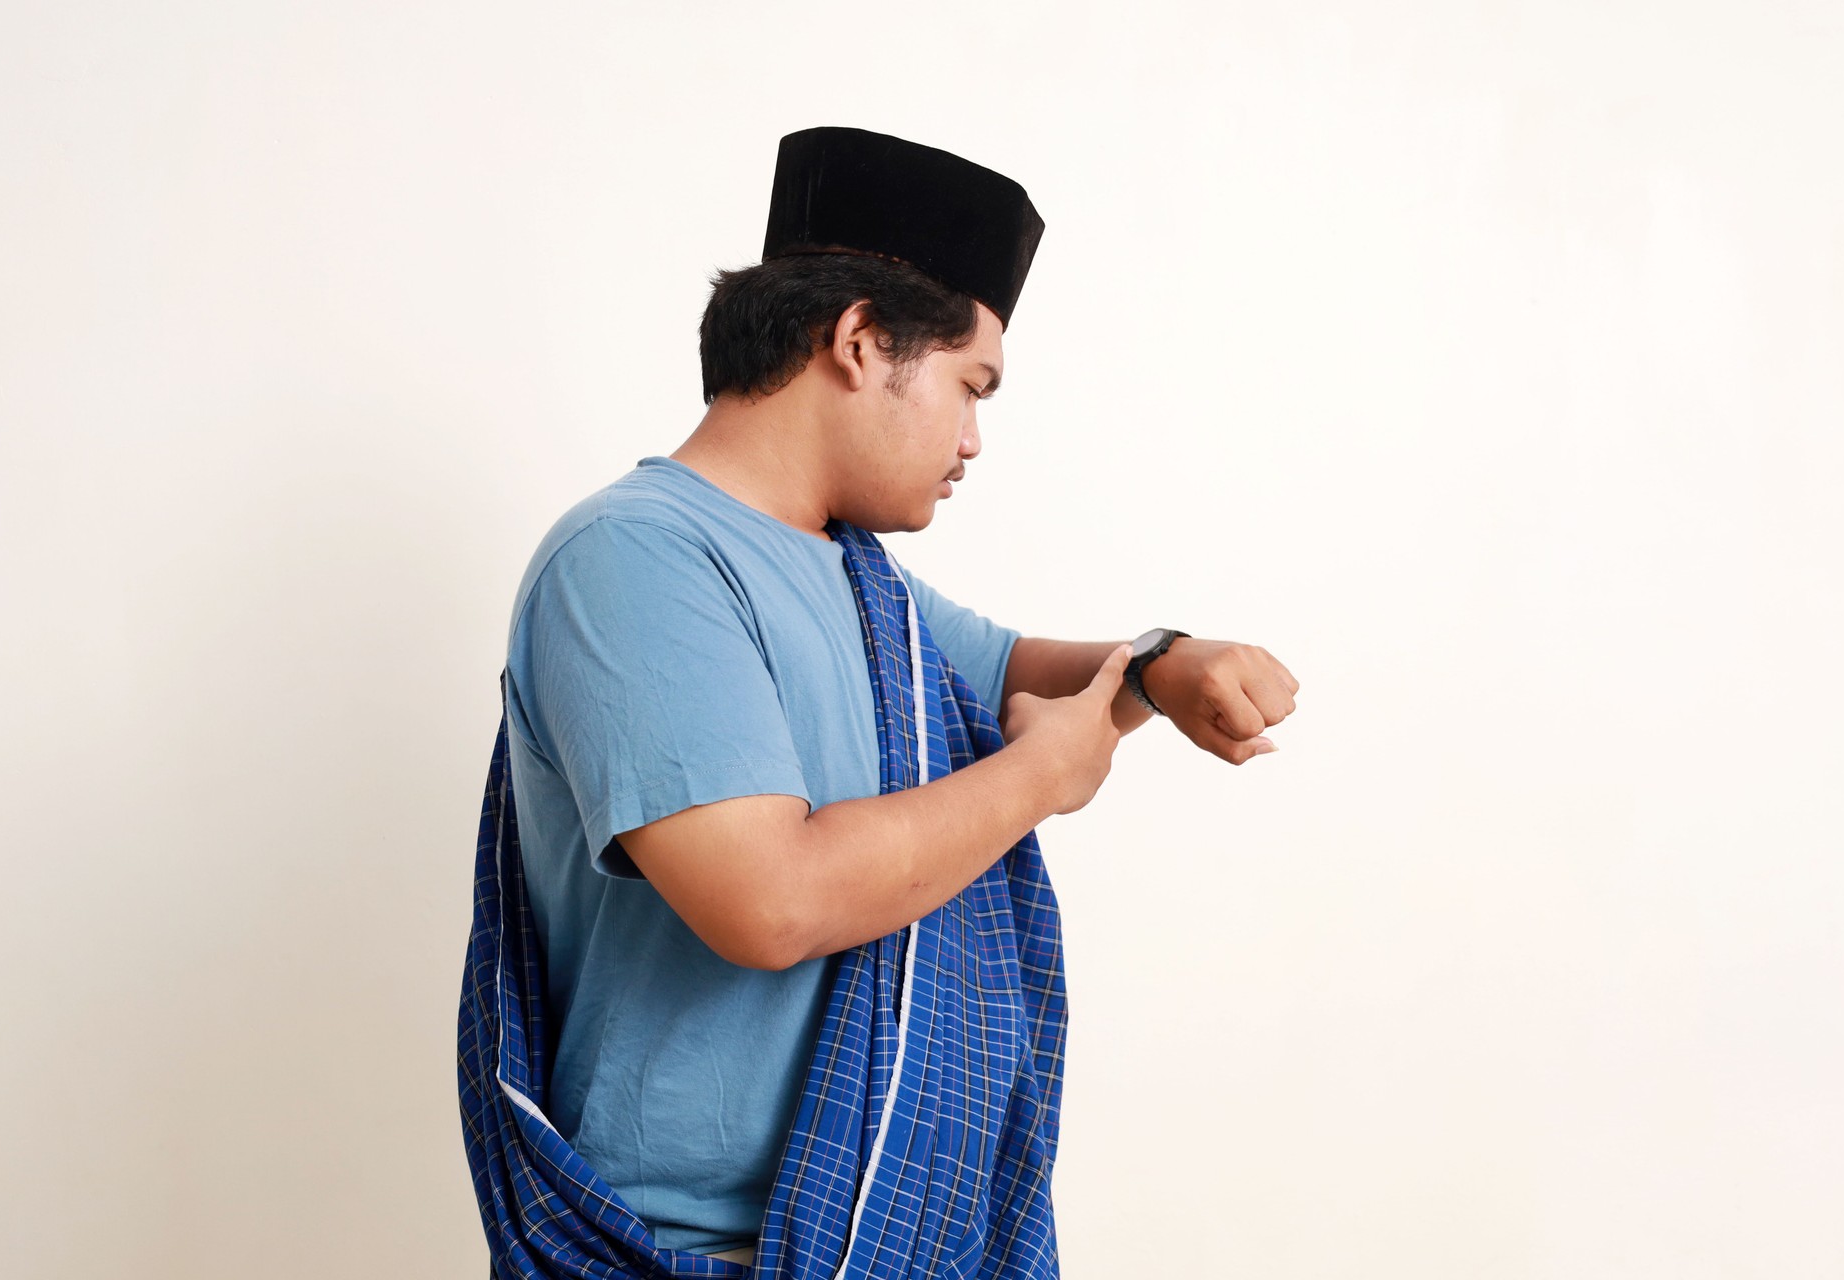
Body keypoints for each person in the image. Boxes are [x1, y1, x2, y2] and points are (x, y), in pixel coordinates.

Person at [458, 125, 1300, 1278]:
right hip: (692, 1249)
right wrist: (1042, 777)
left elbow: (1005, 668)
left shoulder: (853, 575)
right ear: (860, 340)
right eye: (969, 385)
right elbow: (767, 898)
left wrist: (1163, 660)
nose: (972, 439)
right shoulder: (635, 561)